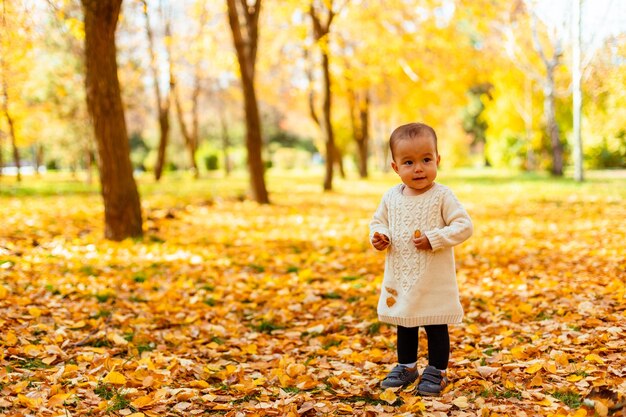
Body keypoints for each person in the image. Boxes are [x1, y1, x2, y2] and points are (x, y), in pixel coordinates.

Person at [369, 122, 473, 396]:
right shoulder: (391, 197)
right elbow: (378, 222)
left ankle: (437, 370)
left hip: (434, 278)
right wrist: (380, 236)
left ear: (437, 160)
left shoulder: (442, 196)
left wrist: (435, 238)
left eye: (426, 160)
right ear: (395, 167)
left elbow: (464, 225)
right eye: (409, 162)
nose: (418, 168)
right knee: (405, 322)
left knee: (435, 323)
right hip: (401, 276)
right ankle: (407, 366)